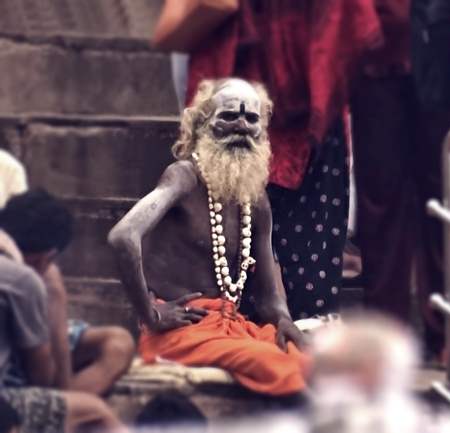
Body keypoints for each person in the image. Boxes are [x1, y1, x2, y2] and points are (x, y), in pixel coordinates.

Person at [108, 78, 308, 395]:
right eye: (229, 116)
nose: (241, 126)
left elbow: (268, 295)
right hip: (182, 331)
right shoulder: (184, 176)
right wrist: (152, 314)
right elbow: (123, 237)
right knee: (275, 365)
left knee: (312, 362)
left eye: (251, 118)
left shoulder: (255, 199)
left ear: (262, 131)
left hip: (234, 328)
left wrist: (284, 320)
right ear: (203, 125)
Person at [184, 1, 381, 320]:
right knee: (239, 273)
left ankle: (301, 342)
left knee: (309, 290)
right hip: (243, 88)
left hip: (308, 90)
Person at [351, 0, 450, 359]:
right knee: (380, 199)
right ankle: (384, 335)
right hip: (376, 50)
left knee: (449, 195)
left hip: (448, 45)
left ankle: (447, 332)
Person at [0, 191, 127, 433]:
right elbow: (41, 377)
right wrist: (55, 298)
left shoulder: (27, 276)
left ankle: (68, 408)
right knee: (94, 412)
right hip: (9, 391)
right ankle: (69, 413)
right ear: (45, 258)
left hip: (25, 352)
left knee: (118, 343)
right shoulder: (25, 280)